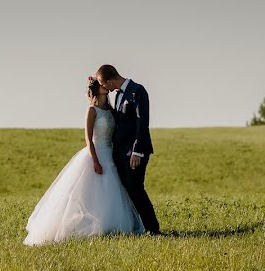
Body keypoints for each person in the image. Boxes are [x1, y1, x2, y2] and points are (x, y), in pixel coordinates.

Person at [23, 76, 144, 246]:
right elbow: (88, 139)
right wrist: (95, 160)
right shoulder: (92, 110)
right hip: (96, 153)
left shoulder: (110, 110)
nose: (105, 87)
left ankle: (110, 225)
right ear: (96, 89)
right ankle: (89, 225)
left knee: (111, 190)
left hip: (110, 153)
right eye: (101, 85)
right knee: (91, 191)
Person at [95, 64, 161, 235]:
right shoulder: (116, 95)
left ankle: (153, 229)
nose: (103, 87)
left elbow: (142, 123)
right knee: (127, 191)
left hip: (135, 153)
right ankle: (137, 227)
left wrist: (137, 151)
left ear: (109, 81)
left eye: (103, 83)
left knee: (136, 189)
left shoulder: (137, 91)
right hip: (120, 152)